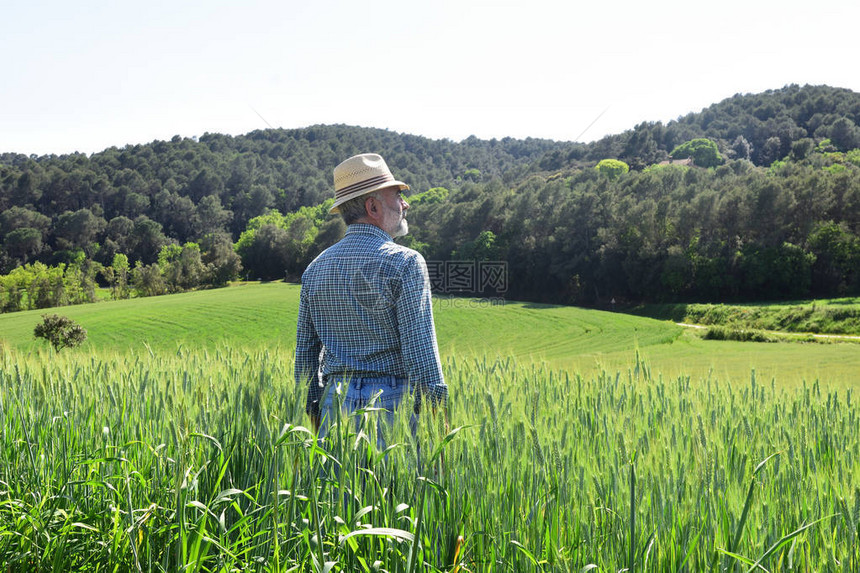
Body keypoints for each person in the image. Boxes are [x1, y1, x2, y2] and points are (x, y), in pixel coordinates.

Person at [294, 153, 448, 448]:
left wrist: (315, 415)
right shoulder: (405, 263)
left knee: (340, 495)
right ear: (373, 206)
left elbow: (305, 357)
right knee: (395, 493)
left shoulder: (314, 269)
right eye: (397, 196)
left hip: (334, 408)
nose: (405, 204)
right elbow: (421, 355)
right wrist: (439, 423)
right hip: (393, 408)